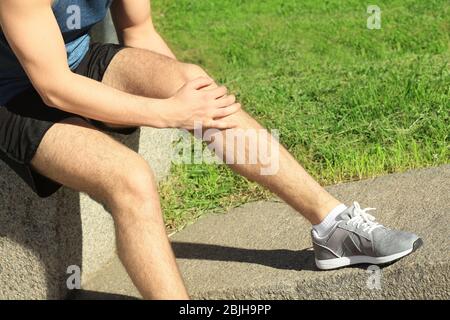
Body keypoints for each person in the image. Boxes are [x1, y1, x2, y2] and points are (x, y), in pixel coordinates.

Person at [0, 0, 422, 299]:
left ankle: (333, 228)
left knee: (196, 85)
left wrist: (192, 99)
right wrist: (169, 113)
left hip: (74, 60)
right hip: (14, 91)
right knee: (129, 178)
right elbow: (53, 88)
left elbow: (139, 30)